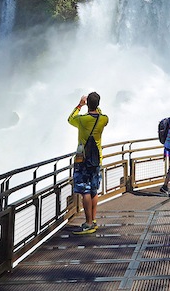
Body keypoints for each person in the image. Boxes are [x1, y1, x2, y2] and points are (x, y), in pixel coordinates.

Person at [68, 92, 108, 234]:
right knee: (93, 190)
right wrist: (95, 107)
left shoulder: (82, 120)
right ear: (98, 104)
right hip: (97, 158)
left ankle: (88, 223)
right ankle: (93, 218)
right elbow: (100, 114)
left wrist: (80, 105)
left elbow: (70, 119)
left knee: (85, 190)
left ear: (87, 104)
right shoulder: (103, 119)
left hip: (82, 159)